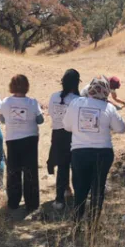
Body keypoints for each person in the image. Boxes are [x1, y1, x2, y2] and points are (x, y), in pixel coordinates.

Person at [63, 76, 125, 227]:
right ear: (106, 91)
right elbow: (121, 128)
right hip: (103, 153)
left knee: (80, 189)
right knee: (98, 189)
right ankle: (93, 226)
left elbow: (66, 126)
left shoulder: (76, 102)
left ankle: (77, 223)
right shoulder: (109, 108)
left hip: (80, 152)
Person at [0, 75, 43, 211]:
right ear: (26, 86)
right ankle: (32, 203)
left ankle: (13, 202)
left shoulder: (6, 102)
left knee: (13, 171)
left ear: (11, 86)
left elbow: (2, 119)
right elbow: (40, 120)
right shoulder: (33, 102)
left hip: (12, 139)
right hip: (30, 139)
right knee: (30, 171)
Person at [47, 69, 80, 209]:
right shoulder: (77, 100)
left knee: (62, 166)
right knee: (76, 166)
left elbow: (50, 113)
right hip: (73, 135)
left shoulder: (54, 96)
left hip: (57, 134)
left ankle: (60, 199)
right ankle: (78, 196)